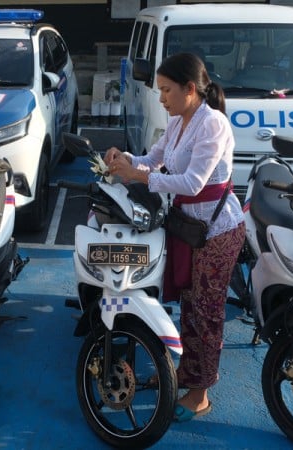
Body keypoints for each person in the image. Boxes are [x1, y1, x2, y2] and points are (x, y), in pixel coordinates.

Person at [104, 52, 245, 422]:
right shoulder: (179, 122)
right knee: (188, 303)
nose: (161, 98)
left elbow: (193, 182)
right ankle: (187, 373)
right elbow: (154, 158)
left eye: (166, 90)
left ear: (190, 89)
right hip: (189, 227)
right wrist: (126, 159)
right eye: (159, 91)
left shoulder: (211, 124)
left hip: (216, 230)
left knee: (207, 312)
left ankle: (199, 394)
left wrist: (139, 177)